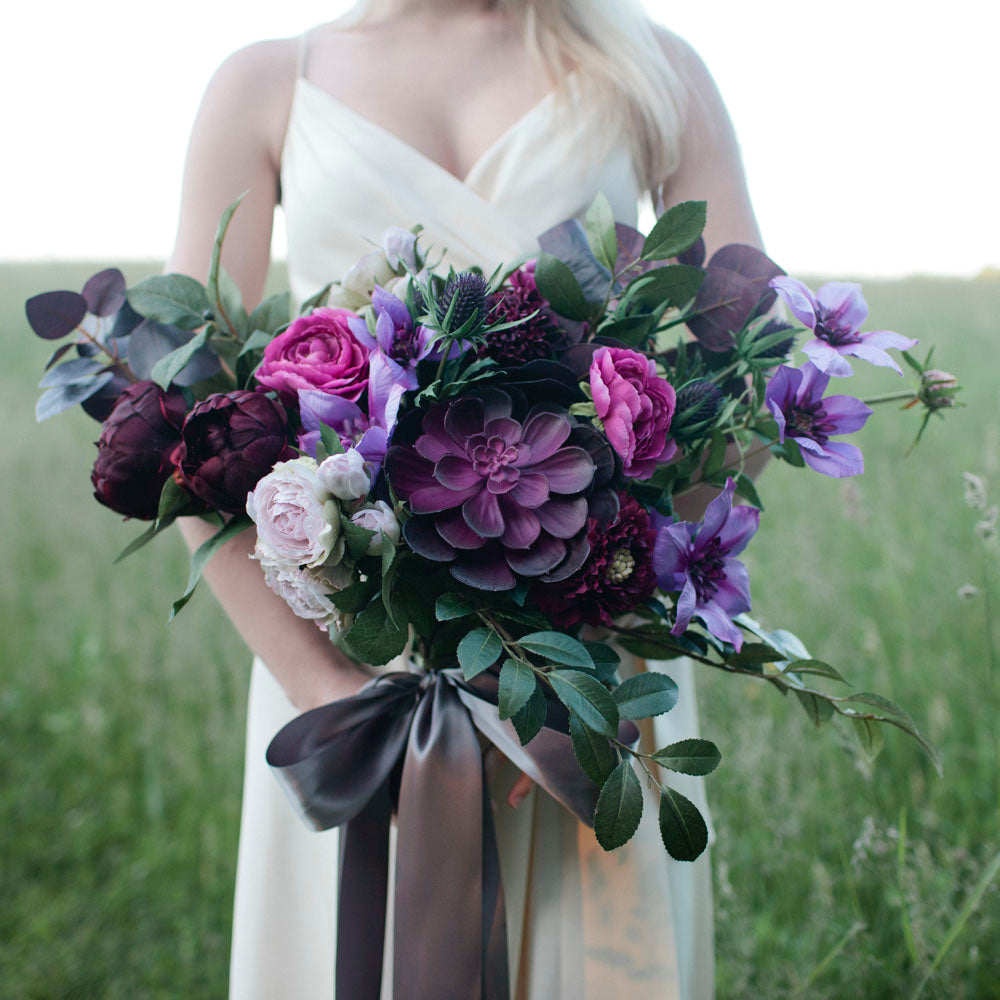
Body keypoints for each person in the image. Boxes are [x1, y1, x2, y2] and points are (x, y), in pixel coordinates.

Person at [167, 1, 763, 997]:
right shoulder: (269, 82)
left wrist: (576, 620)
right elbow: (184, 429)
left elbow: (739, 368)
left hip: (586, 667)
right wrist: (342, 706)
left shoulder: (656, 72)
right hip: (353, 661)